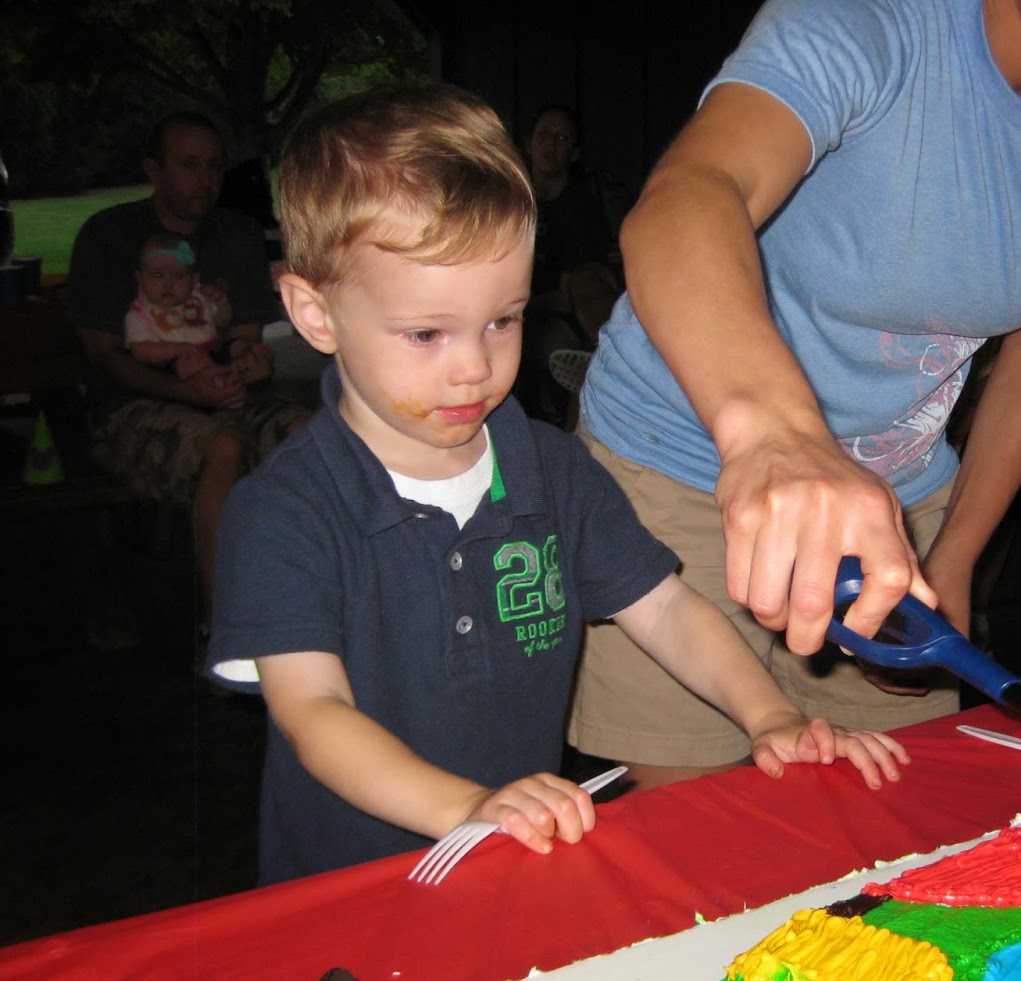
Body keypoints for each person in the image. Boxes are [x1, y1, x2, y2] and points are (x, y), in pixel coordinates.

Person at [206, 84, 909, 884]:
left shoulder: (553, 470)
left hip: (516, 864)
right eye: (426, 333)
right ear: (314, 313)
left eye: (501, 320)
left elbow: (666, 610)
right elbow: (313, 711)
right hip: (351, 891)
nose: (474, 366)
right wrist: (468, 807)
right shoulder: (283, 512)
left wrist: (771, 715)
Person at [571, 0, 1021, 789]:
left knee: (889, 818)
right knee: (712, 827)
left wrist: (957, 553)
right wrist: (779, 439)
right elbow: (692, 193)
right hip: (678, 467)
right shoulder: (867, 22)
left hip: (899, 504)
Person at [68, 112, 309, 635]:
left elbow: (245, 337)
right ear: (154, 170)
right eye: (190, 165)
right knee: (222, 447)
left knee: (309, 433)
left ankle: (306, 609)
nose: (206, 180)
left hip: (226, 399)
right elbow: (105, 356)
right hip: (130, 408)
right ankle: (224, 631)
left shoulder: (237, 233)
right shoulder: (109, 236)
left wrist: (250, 360)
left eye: (215, 167)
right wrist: (184, 388)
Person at [517, 105, 621, 425]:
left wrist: (524, 308)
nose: (551, 144)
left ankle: (601, 360)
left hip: (557, 316)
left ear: (574, 153)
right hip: (507, 310)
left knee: (557, 347)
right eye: (544, 135)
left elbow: (574, 291)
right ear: (529, 144)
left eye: (562, 138)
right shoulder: (510, 200)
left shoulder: (582, 210)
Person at [124, 230, 270, 384]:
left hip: (212, 350)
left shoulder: (199, 297)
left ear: (194, 279)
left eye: (179, 276)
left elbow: (222, 322)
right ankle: (225, 378)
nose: (168, 284)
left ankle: (247, 365)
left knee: (237, 346)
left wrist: (221, 303)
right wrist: (177, 349)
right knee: (189, 365)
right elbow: (139, 351)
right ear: (140, 277)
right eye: (158, 275)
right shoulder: (139, 313)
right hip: (173, 363)